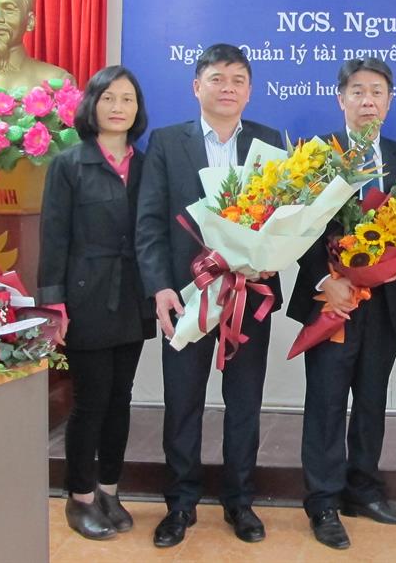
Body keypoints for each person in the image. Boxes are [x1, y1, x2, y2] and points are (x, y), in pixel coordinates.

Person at [135, 43, 283, 548]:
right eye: (217, 78)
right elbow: (150, 223)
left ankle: (240, 501)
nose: (227, 88)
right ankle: (180, 503)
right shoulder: (166, 142)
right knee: (182, 402)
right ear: (197, 86)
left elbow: (285, 218)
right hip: (186, 295)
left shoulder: (269, 142)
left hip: (248, 293)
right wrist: (159, 287)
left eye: (238, 80)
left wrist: (274, 256)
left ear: (250, 90)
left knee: (245, 402)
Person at [287, 58, 396, 550]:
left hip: (383, 304)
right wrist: (326, 279)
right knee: (325, 402)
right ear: (340, 98)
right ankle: (322, 500)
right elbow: (293, 229)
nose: (368, 101)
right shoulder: (315, 155)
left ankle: (363, 489)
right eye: (358, 91)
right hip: (331, 303)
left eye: (377, 92)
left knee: (371, 398)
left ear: (389, 100)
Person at [38, 65, 156, 540]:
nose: (118, 107)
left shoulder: (147, 165)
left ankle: (109, 490)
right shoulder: (69, 164)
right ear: (92, 105)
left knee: (121, 399)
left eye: (127, 99)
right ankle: (80, 497)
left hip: (133, 295)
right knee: (90, 402)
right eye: (108, 98)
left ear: (137, 108)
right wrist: (54, 305)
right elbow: (54, 239)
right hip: (86, 296)